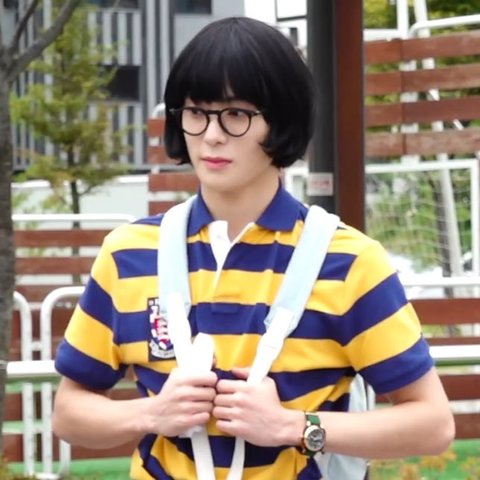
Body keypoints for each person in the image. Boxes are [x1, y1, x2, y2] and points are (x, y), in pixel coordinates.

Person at [52, 16, 455, 480]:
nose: (212, 134)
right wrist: (152, 413)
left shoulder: (348, 260)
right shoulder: (127, 254)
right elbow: (69, 412)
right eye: (196, 112)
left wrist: (293, 427)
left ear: (281, 121)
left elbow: (432, 423)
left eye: (237, 114)